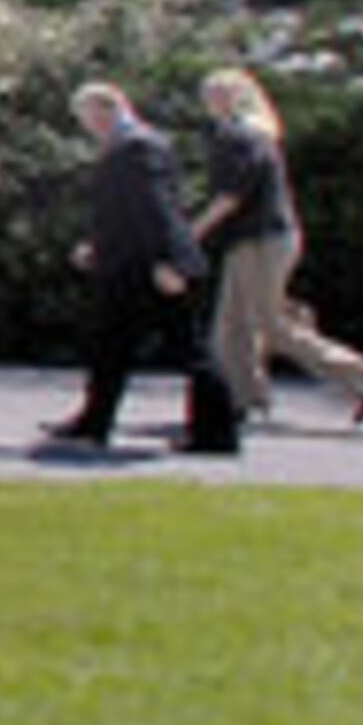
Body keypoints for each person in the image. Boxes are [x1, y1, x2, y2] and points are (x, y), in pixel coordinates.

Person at [192, 66, 363, 427]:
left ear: (236, 98)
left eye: (217, 93)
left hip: (261, 240)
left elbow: (231, 197)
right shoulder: (253, 135)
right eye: (208, 92)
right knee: (231, 325)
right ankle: (244, 399)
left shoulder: (238, 136)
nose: (209, 100)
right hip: (258, 239)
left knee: (270, 325)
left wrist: (191, 234)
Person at [47, 81, 231, 452]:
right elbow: (124, 210)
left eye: (88, 117)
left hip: (154, 266)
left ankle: (216, 433)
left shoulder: (138, 147)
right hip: (126, 263)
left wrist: (168, 262)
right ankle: (93, 421)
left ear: (106, 108)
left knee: (189, 349)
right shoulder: (133, 145)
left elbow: (156, 210)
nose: (88, 126)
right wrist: (98, 245)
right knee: (109, 344)